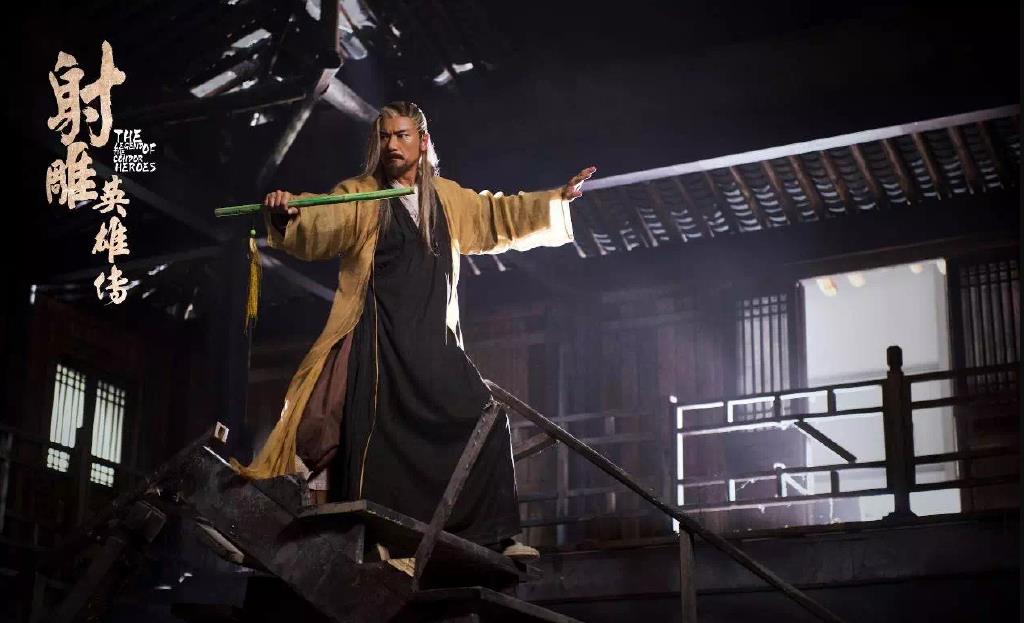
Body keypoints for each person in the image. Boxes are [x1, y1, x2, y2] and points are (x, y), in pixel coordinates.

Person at [231, 101, 595, 560]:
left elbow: (497, 216)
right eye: (385, 137)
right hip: (379, 338)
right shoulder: (360, 195)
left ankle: (495, 536)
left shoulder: (448, 199)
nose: (392, 145)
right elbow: (322, 221)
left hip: (435, 340)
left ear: (422, 142)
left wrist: (556, 198)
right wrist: (290, 213)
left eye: (402, 136)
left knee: (483, 417)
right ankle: (376, 541)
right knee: (373, 435)